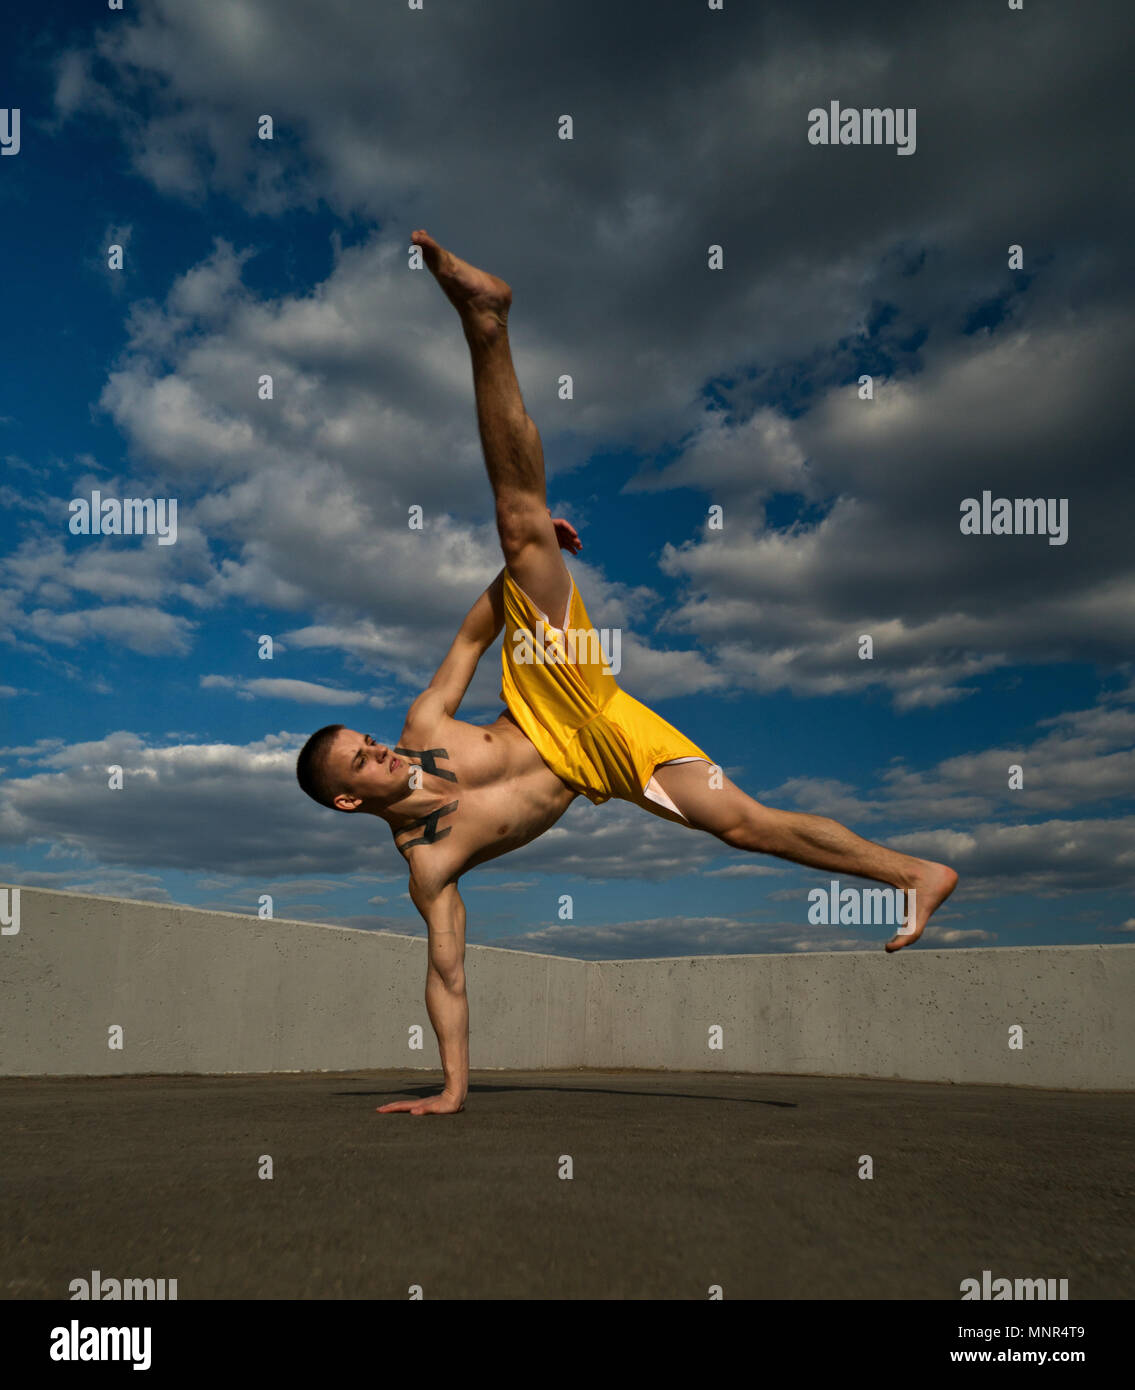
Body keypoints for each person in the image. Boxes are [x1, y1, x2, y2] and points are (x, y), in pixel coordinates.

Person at [296, 231, 958, 1115]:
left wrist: (528, 568)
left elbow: (469, 638)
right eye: (362, 762)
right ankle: (914, 872)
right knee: (746, 826)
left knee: (517, 520)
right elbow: (447, 975)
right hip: (604, 757)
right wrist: (452, 1091)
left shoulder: (426, 726)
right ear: (349, 800)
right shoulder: (428, 864)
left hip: (554, 689)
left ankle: (484, 322)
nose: (381, 751)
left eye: (367, 741)